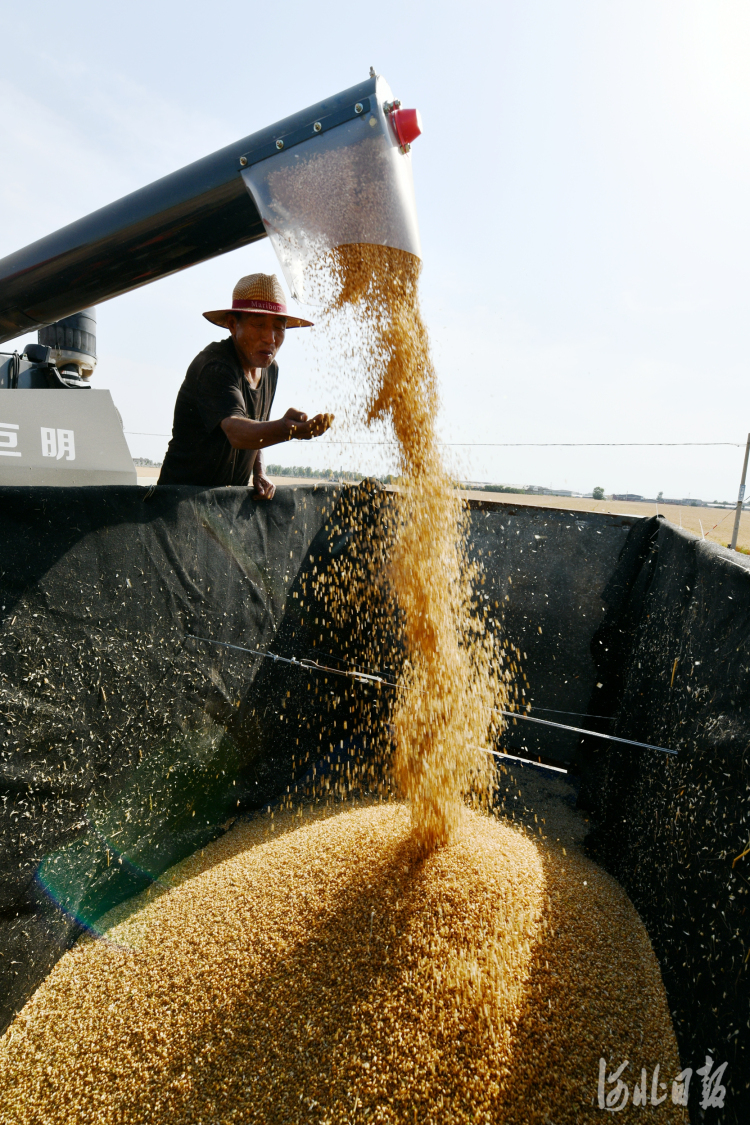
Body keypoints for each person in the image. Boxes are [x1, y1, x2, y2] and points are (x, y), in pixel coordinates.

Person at [157, 273, 332, 495]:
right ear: (232, 324)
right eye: (258, 324)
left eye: (279, 327)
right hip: (179, 501)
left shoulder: (270, 369)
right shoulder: (216, 367)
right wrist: (288, 430)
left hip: (227, 503)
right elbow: (238, 432)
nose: (270, 338)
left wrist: (259, 471)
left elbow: (256, 425)